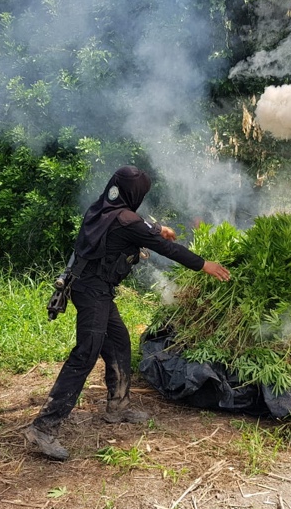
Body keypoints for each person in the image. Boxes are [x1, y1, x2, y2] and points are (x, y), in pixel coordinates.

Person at [23, 166, 230, 460]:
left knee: (118, 343)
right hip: (93, 292)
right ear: (134, 194)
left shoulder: (103, 207)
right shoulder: (127, 220)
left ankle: (117, 407)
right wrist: (204, 264)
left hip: (93, 289)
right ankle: (44, 427)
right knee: (85, 354)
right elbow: (163, 247)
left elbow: (138, 226)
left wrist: (158, 229)